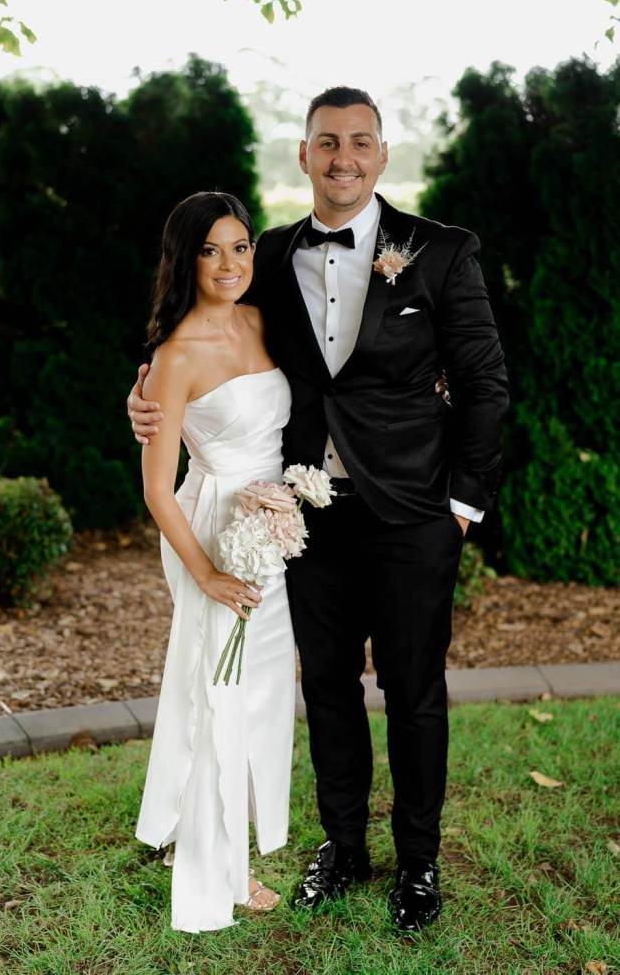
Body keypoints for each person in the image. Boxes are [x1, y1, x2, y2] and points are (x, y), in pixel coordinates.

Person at [128, 87, 510, 933]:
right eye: (327, 142)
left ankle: (417, 863)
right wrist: (146, 398)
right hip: (304, 516)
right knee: (328, 689)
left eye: (359, 142)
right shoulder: (263, 253)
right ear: (303, 155)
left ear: (382, 154)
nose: (344, 158)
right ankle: (343, 847)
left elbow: (484, 382)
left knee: (412, 691)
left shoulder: (441, 251)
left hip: (415, 513)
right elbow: (204, 333)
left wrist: (461, 504)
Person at [133, 190, 296, 933]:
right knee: (220, 688)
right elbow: (156, 490)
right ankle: (217, 868)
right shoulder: (174, 357)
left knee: (258, 690)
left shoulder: (261, 320)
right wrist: (205, 572)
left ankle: (199, 824)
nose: (228, 264)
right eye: (209, 251)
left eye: (239, 246)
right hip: (210, 530)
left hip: (273, 524)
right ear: (185, 260)